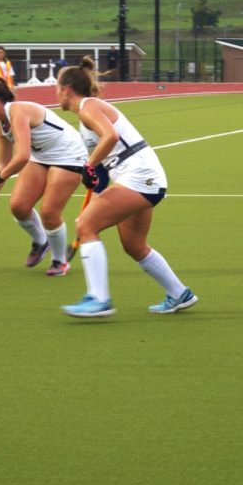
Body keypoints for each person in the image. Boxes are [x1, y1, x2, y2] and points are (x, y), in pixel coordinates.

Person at [55, 57, 197, 318]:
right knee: (134, 245)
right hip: (135, 177)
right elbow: (100, 170)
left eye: (57, 89)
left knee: (86, 225)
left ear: (67, 89)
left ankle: (99, 299)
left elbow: (111, 137)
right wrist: (94, 180)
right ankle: (179, 293)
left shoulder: (88, 107)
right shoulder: (86, 113)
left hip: (139, 176)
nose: (56, 95)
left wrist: (89, 167)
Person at [0, 77, 86, 276]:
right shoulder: (1, 125)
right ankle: (42, 242)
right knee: (19, 206)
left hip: (68, 154)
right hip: (41, 155)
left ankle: (59, 261)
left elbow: (23, 155)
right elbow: (3, 162)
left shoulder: (18, 112)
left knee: (49, 213)